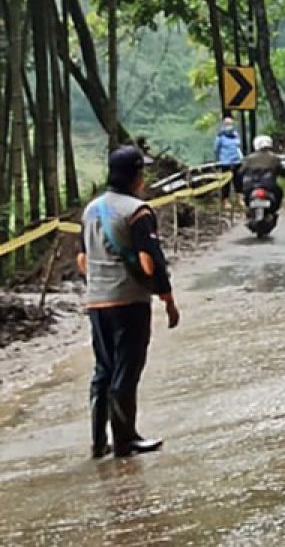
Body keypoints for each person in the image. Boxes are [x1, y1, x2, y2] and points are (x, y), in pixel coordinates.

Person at [77, 145, 180, 460]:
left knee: (103, 370)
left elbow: (82, 259)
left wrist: (99, 282)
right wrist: (167, 300)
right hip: (129, 303)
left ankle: (98, 442)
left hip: (97, 302)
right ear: (136, 175)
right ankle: (125, 440)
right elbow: (152, 261)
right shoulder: (137, 211)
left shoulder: (90, 210)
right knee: (127, 370)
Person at [240, 135, 285, 212]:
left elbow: (241, 171)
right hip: (269, 185)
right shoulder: (274, 158)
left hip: (250, 185)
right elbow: (281, 170)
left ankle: (249, 211)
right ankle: (273, 211)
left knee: (246, 197)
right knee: (279, 193)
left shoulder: (249, 158)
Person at [213, 116, 243, 207]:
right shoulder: (220, 137)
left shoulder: (235, 135)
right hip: (225, 162)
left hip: (237, 161)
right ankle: (225, 201)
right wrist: (218, 159)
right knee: (226, 183)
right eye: (227, 124)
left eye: (231, 124)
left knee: (238, 181)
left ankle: (240, 199)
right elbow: (216, 149)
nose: (229, 126)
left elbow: (238, 146)